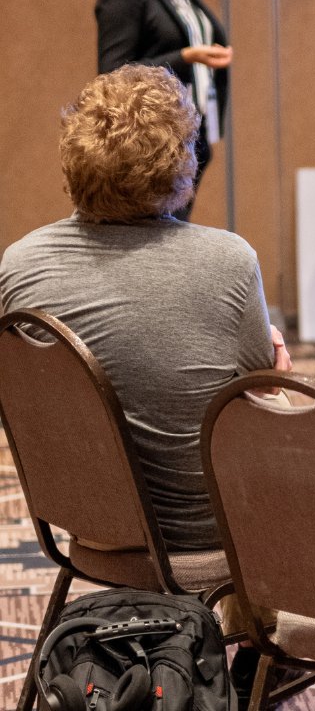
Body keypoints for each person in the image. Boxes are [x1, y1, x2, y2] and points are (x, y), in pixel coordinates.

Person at [0, 65, 288, 551]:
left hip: (89, 529)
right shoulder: (229, 260)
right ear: (180, 161)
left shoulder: (19, 262)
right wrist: (275, 372)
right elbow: (255, 392)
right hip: (212, 536)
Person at [95, 0, 233, 218]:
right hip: (154, 146)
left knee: (175, 234)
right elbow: (112, 74)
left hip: (189, 135)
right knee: (164, 239)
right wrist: (187, 57)